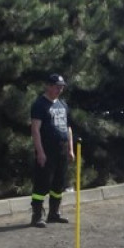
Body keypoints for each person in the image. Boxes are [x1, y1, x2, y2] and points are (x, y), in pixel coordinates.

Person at [29, 74, 75, 228]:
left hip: (62, 149)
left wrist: (70, 149)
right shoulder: (39, 104)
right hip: (47, 149)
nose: (59, 89)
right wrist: (40, 152)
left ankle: (54, 213)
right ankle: (37, 216)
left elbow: (68, 128)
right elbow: (35, 130)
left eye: (61, 86)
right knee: (42, 183)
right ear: (48, 86)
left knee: (58, 183)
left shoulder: (62, 104)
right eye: (57, 86)